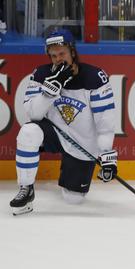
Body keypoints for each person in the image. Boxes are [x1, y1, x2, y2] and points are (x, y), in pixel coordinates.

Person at [9, 28, 117, 215]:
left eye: (62, 53)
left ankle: (70, 173)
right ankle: (26, 189)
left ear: (72, 52)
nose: (58, 59)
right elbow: (33, 115)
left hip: (82, 142)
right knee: (28, 132)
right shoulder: (42, 75)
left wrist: (106, 154)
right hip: (54, 133)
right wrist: (51, 90)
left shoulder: (94, 77)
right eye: (53, 55)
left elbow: (105, 122)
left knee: (73, 199)